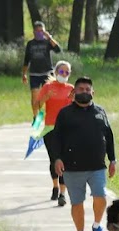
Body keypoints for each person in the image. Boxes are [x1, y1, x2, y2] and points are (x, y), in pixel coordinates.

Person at [51, 76, 117, 231]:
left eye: (88, 90)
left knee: (100, 196)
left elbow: (109, 137)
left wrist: (113, 160)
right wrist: (57, 158)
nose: (84, 92)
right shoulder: (65, 114)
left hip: (97, 166)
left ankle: (97, 225)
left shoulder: (100, 112)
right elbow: (56, 138)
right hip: (72, 168)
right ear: (73, 92)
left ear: (93, 92)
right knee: (77, 203)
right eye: (81, 89)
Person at [35, 60, 74, 206]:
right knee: (53, 159)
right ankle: (55, 186)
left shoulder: (71, 89)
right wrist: (45, 97)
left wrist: (73, 100)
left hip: (66, 130)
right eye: (61, 72)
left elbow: (76, 109)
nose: (64, 74)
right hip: (50, 128)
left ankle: (63, 194)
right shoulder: (48, 87)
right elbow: (37, 105)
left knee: (63, 160)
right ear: (56, 72)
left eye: (67, 72)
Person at [22, 21, 61, 119]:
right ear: (34, 32)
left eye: (41, 31)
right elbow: (27, 60)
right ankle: (36, 117)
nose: (40, 33)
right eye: (37, 31)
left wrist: (49, 37)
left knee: (48, 96)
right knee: (34, 96)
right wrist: (24, 74)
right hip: (34, 74)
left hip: (47, 73)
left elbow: (58, 49)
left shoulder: (47, 42)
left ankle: (48, 115)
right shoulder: (30, 44)